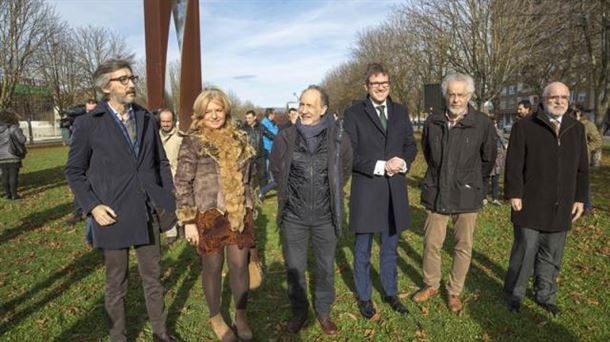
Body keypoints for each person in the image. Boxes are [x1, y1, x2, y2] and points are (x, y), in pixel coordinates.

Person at [64, 58, 179, 342]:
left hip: (147, 211)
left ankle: (161, 332)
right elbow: (74, 171)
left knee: (152, 277)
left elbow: (161, 162)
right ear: (106, 87)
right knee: (117, 282)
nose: (131, 84)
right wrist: (92, 205)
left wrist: (167, 198)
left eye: (132, 78)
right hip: (112, 214)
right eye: (123, 79)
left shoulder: (144, 118)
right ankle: (118, 336)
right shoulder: (88, 124)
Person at [175, 88, 256, 341]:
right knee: (212, 265)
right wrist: (188, 220)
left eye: (218, 110)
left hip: (238, 211)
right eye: (208, 111)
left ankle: (240, 316)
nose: (214, 115)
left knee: (240, 264)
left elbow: (250, 178)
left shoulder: (240, 139)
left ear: (226, 110)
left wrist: (249, 206)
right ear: (200, 114)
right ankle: (216, 317)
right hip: (208, 214)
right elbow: (182, 182)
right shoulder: (194, 141)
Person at [270, 85, 352, 335]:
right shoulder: (285, 137)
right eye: (301, 104)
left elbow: (344, 168)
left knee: (325, 267)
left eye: (310, 106)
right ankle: (299, 311)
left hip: (326, 216)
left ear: (323, 110)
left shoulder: (338, 137)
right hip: (294, 216)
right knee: (295, 267)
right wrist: (292, 195)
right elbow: (276, 168)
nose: (304, 110)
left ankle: (324, 312)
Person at [413, 73, 497, 314]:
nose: (456, 99)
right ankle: (431, 284)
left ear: (469, 96)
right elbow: (428, 153)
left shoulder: (482, 123)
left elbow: (488, 158)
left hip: (467, 195)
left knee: (462, 246)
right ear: (445, 95)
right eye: (452, 94)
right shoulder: (433, 121)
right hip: (437, 191)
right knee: (431, 243)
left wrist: (471, 181)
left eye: (461, 94)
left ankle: (454, 291)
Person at [503, 82, 589, 316]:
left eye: (564, 97)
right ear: (543, 99)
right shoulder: (524, 126)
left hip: (562, 204)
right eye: (554, 97)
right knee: (525, 250)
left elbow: (582, 168)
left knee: (552, 255)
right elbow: (514, 164)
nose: (559, 101)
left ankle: (545, 295)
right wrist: (515, 193)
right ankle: (514, 295)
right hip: (529, 202)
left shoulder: (576, 128)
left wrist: (580, 198)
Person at [343, 62, 417, 319]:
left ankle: (390, 291)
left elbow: (410, 145)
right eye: (376, 84)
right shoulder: (353, 114)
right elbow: (349, 155)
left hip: (394, 192)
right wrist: (380, 166)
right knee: (362, 249)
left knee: (389, 249)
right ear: (367, 86)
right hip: (367, 191)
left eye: (385, 83)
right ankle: (364, 297)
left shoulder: (400, 111)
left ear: (389, 85)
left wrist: (403, 162)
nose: (381, 88)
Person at [66, 99, 98, 226]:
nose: (90, 113)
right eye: (88, 110)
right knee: (80, 184)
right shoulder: (80, 120)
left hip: (96, 159)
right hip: (82, 156)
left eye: (93, 110)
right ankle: (78, 212)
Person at [570, 104, 602, 215]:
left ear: (580, 112)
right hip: (570, 157)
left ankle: (587, 206)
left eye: (574, 111)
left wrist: (587, 148)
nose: (572, 113)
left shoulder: (588, 125)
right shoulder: (568, 123)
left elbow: (597, 141)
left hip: (582, 158)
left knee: (583, 182)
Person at [158, 108, 183, 244]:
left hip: (177, 175)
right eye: (163, 121)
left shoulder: (180, 137)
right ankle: (171, 231)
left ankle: (182, 224)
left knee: (180, 202)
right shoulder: (154, 136)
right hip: (162, 177)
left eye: (168, 121)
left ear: (173, 121)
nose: (166, 124)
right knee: (167, 204)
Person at [0, 109, 27, 200]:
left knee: (4, 175)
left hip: (1, 156)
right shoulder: (14, 128)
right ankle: (14, 195)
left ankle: (7, 194)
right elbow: (22, 140)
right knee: (13, 175)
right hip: (13, 154)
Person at [242, 110, 266, 192]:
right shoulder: (243, 128)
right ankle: (248, 193)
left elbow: (270, 135)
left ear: (255, 118)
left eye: (249, 118)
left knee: (262, 176)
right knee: (247, 176)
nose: (247, 119)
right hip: (249, 156)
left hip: (260, 156)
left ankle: (262, 194)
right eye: (246, 118)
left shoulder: (261, 127)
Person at [259, 108, 278, 199]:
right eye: (273, 114)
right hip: (267, 148)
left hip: (274, 148)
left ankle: (273, 184)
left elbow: (277, 131)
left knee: (272, 168)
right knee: (269, 168)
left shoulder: (272, 122)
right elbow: (269, 134)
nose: (274, 116)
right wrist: (278, 138)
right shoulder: (264, 123)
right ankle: (264, 190)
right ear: (269, 114)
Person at [489, 116, 508, 205]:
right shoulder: (496, 132)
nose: (495, 125)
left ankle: (490, 197)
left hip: (493, 158)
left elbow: (504, 144)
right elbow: (504, 144)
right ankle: (494, 197)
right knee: (494, 179)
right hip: (494, 158)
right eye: (495, 123)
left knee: (492, 178)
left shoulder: (487, 132)